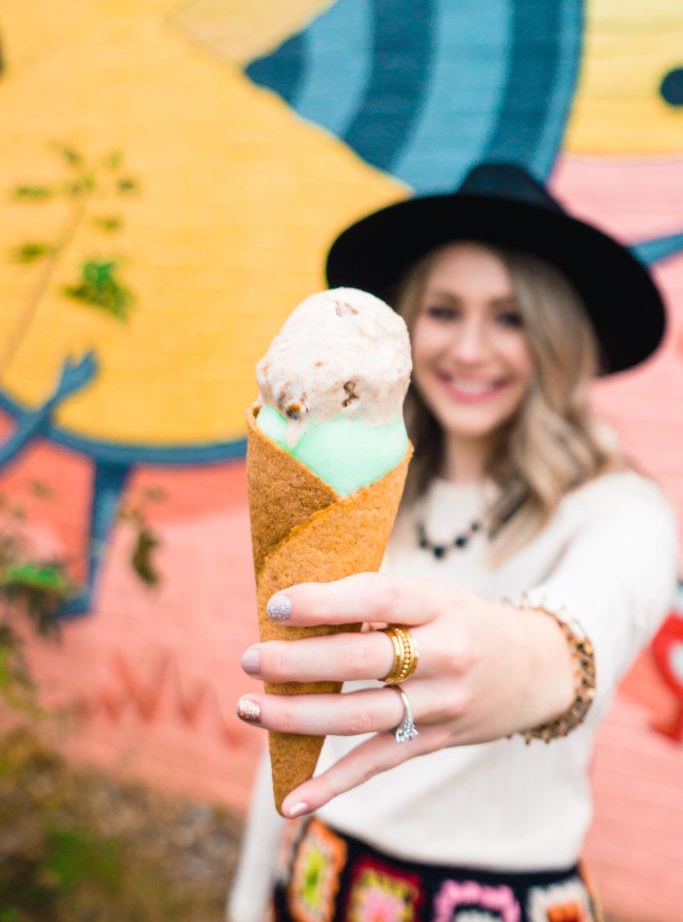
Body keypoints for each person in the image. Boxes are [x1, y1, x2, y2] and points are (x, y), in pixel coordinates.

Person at [227, 163, 679, 922]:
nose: (469, 349)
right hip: (312, 885)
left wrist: (520, 660)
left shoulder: (621, 512)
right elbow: (299, 710)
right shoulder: (364, 497)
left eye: (509, 317)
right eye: (443, 310)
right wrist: (245, 903)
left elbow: (571, 642)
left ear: (558, 337)